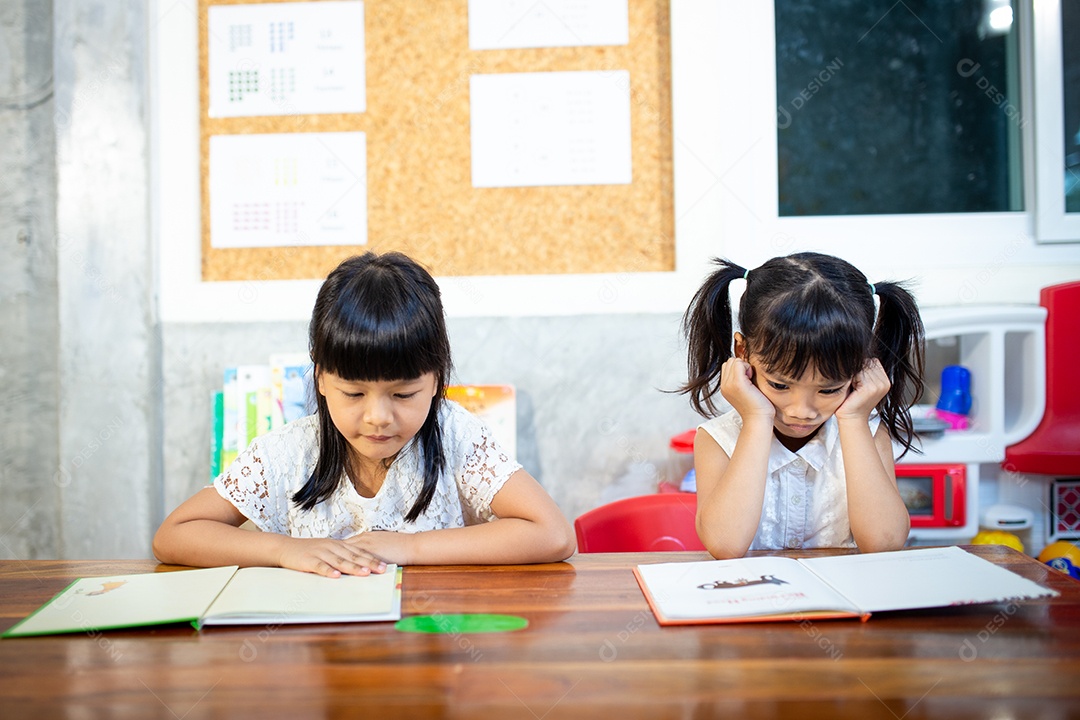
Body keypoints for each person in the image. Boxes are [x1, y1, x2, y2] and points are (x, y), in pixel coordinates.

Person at [154, 252, 576, 576]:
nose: (378, 416)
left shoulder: (456, 435)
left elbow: (553, 534)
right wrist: (284, 550)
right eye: (353, 392)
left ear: (436, 382)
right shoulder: (287, 452)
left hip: (432, 643)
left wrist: (408, 548)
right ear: (320, 378)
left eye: (404, 393)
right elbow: (173, 536)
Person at [680, 252, 925, 559]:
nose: (801, 410)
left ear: (861, 368)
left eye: (829, 389)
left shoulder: (868, 433)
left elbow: (884, 544)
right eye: (780, 385)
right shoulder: (717, 439)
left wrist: (853, 419)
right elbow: (726, 545)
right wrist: (757, 418)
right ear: (742, 352)